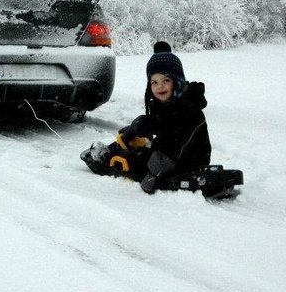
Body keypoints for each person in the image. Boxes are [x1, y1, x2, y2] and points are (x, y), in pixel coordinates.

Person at [80, 40, 212, 194]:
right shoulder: (170, 103)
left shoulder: (190, 110)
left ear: (177, 82)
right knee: (136, 143)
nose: (159, 86)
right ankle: (115, 150)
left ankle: (109, 160)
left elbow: (176, 145)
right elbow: (162, 124)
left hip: (183, 163)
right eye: (154, 82)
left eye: (166, 80)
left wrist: (153, 173)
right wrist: (137, 129)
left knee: (136, 160)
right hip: (167, 155)